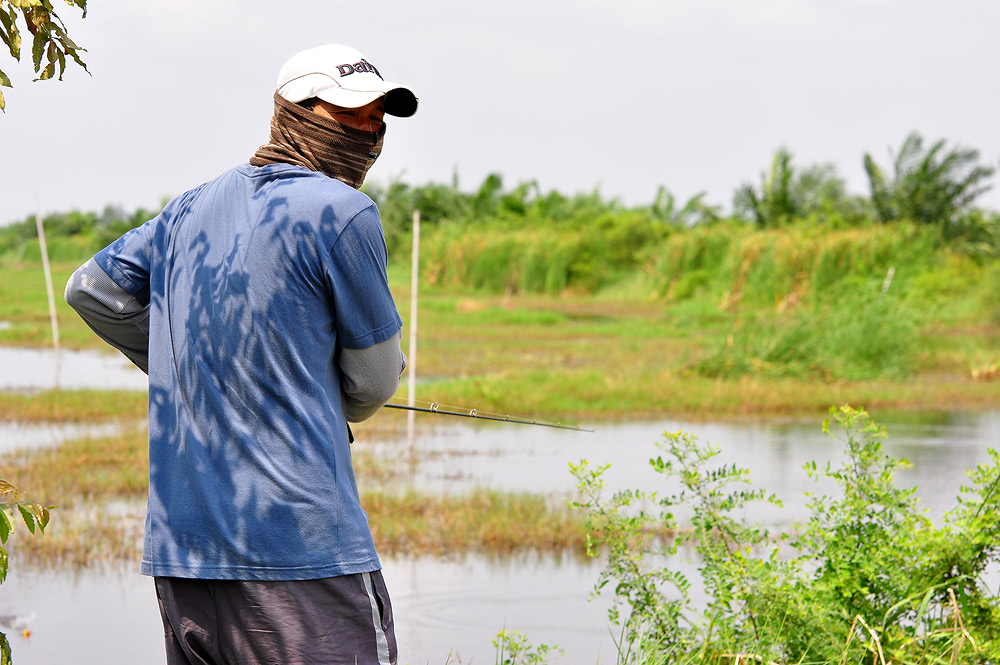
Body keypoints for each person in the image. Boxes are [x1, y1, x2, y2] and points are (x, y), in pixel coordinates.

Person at [64, 44, 417, 665]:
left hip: (184, 555)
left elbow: (92, 290)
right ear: (299, 111)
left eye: (379, 116)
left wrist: (200, 362)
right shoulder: (344, 212)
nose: (372, 130)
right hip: (300, 555)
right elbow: (373, 381)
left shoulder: (187, 208)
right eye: (354, 113)